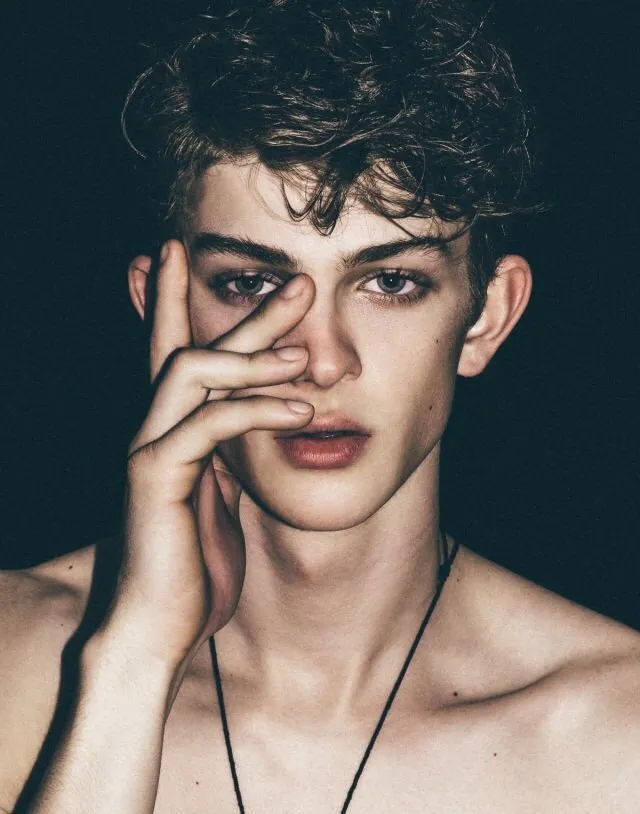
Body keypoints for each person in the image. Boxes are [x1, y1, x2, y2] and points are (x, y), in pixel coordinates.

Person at [1, 1, 639, 812]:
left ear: (484, 316)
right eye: (251, 284)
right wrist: (133, 660)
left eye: (391, 282)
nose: (323, 361)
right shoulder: (15, 656)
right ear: (166, 307)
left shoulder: (618, 733)